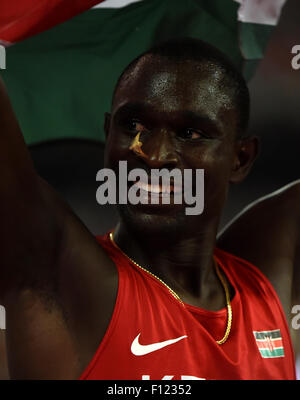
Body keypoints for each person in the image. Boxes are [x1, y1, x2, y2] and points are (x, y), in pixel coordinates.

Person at [0, 37, 298, 380]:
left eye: (190, 133)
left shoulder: (270, 280)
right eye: (135, 127)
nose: (154, 156)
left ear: (240, 158)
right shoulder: (61, 276)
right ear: (108, 133)